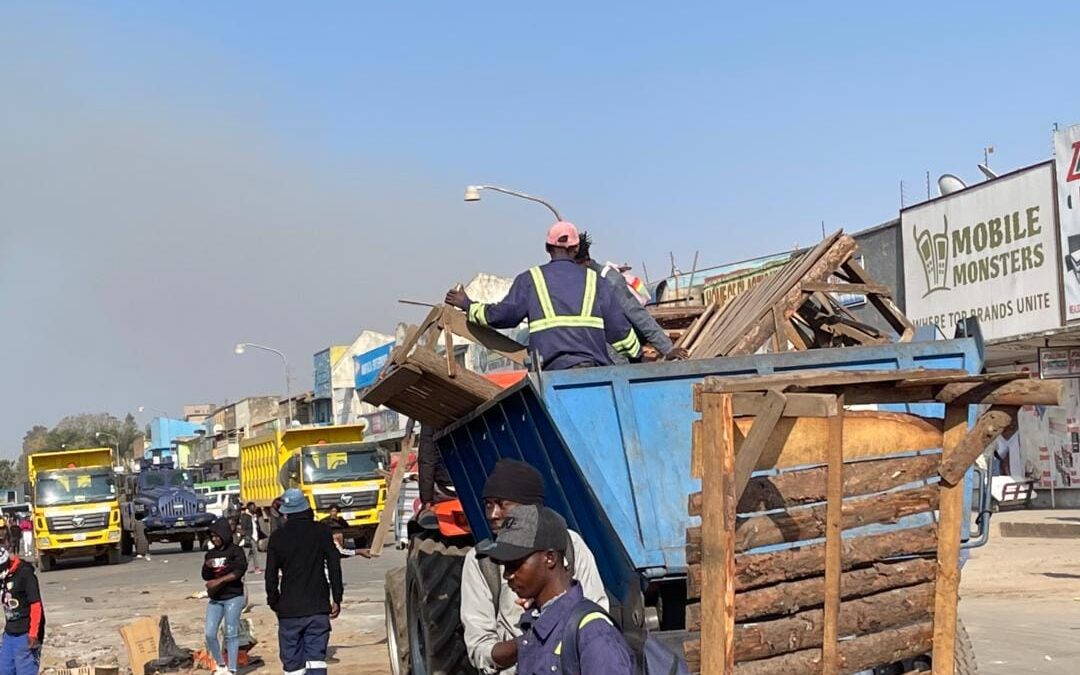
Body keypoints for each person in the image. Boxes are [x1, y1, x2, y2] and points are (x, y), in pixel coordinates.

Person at [461, 459, 607, 675]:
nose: (492, 514)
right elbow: (480, 648)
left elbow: (597, 618)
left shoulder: (568, 544)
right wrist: (530, 642)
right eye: (488, 504)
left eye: (502, 504)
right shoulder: (481, 561)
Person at [446, 221, 642, 371]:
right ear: (576, 249)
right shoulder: (597, 281)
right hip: (594, 372)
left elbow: (502, 315)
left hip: (549, 375)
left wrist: (467, 304)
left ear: (547, 248)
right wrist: (637, 356)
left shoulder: (530, 280)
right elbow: (620, 332)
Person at [476, 505, 633, 675]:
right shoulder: (536, 629)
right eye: (505, 567)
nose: (507, 575)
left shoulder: (593, 632)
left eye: (514, 565)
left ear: (549, 558)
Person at [575, 231, 689, 362]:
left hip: (623, 358)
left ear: (584, 261)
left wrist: (667, 348)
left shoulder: (608, 279)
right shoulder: (578, 283)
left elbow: (637, 313)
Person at [265, 488, 343, 675]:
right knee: (316, 661)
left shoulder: (277, 537)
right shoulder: (322, 531)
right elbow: (334, 564)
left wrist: (274, 601)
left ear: (286, 512)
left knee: (293, 665)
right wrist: (337, 598)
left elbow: (271, 574)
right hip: (317, 606)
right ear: (306, 507)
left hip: (289, 610)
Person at [202, 518, 247, 675]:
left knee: (231, 633)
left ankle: (232, 669)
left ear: (225, 535)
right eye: (212, 536)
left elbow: (238, 572)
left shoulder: (236, 552)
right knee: (209, 633)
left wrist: (218, 581)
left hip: (233, 597)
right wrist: (207, 568)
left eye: (217, 536)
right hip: (215, 599)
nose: (214, 539)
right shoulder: (210, 554)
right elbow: (206, 576)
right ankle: (221, 664)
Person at [0, 531, 45, 675]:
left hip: (25, 633)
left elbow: (36, 606)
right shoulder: (4, 579)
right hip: (9, 633)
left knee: (25, 671)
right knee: (5, 670)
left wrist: (33, 634)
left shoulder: (25, 574)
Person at [238, 503, 263, 575]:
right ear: (249, 508)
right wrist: (246, 537)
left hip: (253, 537)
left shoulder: (252, 516)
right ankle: (246, 569)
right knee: (249, 553)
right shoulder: (245, 516)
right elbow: (244, 528)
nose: (255, 508)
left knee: (252, 554)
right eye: (253, 507)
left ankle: (255, 568)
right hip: (249, 537)